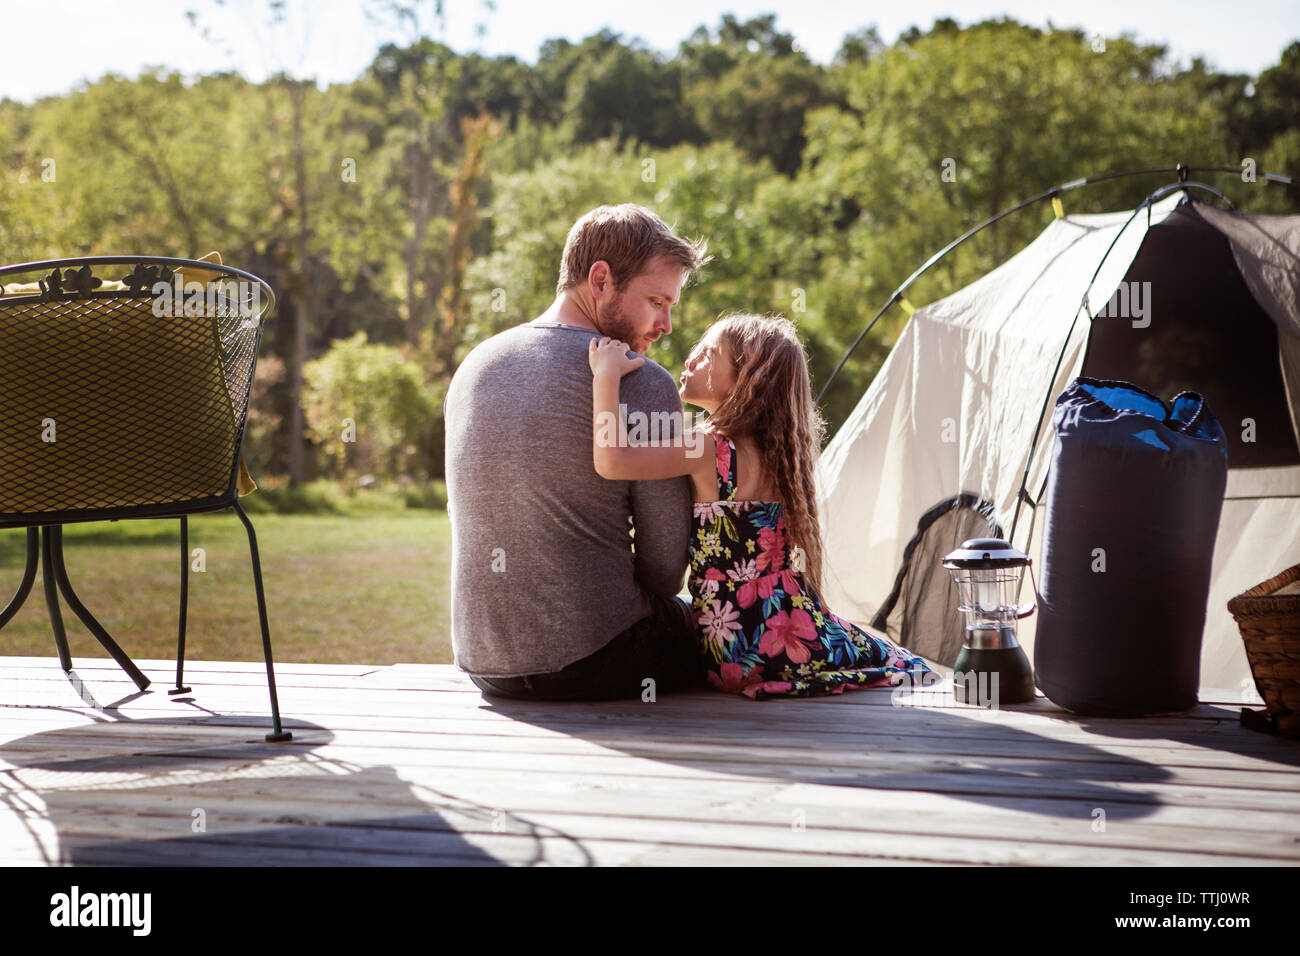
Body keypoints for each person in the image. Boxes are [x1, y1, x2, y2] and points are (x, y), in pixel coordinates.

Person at [589, 313, 939, 699]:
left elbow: (611, 461)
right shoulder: (780, 456)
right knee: (890, 656)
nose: (691, 358)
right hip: (784, 631)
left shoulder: (708, 448)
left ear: (747, 378)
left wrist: (605, 376)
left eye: (708, 354)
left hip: (732, 645)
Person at [444, 204, 711, 701]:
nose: (666, 324)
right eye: (656, 301)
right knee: (735, 629)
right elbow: (663, 573)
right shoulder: (643, 382)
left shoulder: (474, 367)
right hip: (601, 656)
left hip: (486, 665)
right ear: (601, 279)